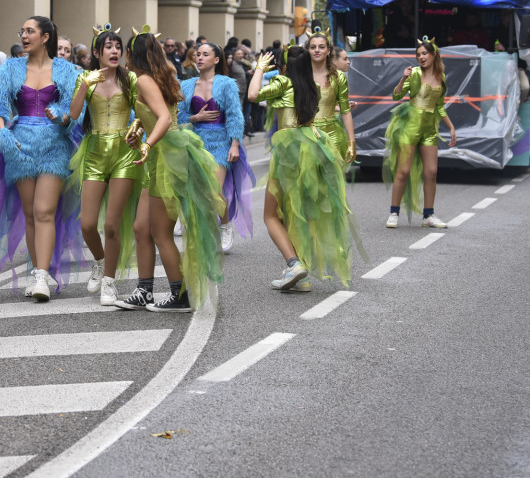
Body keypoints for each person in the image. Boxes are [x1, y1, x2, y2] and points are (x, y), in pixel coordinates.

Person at [117, 27, 225, 313]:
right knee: (141, 228)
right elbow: (156, 114)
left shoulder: (143, 80)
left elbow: (164, 118)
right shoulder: (154, 77)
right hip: (161, 157)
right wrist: (138, 128)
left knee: (161, 231)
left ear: (132, 54)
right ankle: (144, 291)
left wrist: (147, 143)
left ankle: (180, 295)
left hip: (167, 157)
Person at [0, 16, 82, 302]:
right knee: (30, 214)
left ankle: (41, 276)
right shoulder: (9, 68)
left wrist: (61, 116)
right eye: (22, 32)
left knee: (44, 211)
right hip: (19, 145)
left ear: (45, 36)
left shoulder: (66, 70)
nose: (24, 36)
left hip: (54, 145)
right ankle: (40, 271)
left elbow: (75, 112)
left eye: (30, 31)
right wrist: (3, 132)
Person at [248, 46, 364, 292]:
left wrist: (259, 69)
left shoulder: (283, 82)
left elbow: (253, 95)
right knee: (299, 213)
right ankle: (301, 276)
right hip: (312, 149)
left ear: (284, 66)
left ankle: (294, 264)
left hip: (289, 151)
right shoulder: (312, 86)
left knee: (271, 215)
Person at [68, 26, 141, 306]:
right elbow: (74, 114)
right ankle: (99, 261)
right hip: (95, 151)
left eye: (118, 47)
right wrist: (85, 85)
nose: (114, 51)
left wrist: (138, 129)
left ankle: (109, 282)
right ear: (96, 52)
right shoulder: (85, 78)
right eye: (108, 47)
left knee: (112, 224)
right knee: (87, 224)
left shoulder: (130, 78)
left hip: (124, 152)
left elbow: (142, 111)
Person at [178, 42, 255, 255]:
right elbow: (178, 116)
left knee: (214, 191)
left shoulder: (226, 84)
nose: (200, 58)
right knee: (198, 192)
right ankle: (205, 234)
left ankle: (225, 226)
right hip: (195, 143)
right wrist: (195, 117)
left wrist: (235, 144)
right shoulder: (187, 85)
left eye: (205, 54)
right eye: (198, 54)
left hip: (221, 142)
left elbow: (235, 114)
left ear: (216, 59)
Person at [383, 38, 457, 229]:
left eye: (424, 53)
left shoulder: (441, 76)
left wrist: (451, 127)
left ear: (433, 54)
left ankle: (428, 215)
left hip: (429, 130)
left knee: (431, 172)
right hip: (410, 127)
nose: (421, 57)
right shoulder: (415, 73)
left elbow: (439, 106)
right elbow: (396, 95)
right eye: (418, 55)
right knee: (403, 171)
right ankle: (394, 212)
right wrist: (403, 78)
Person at [307, 31, 355, 165]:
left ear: (328, 51)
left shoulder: (338, 77)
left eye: (321, 47)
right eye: (313, 47)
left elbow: (345, 111)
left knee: (332, 176)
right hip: (305, 136)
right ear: (308, 50)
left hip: (332, 135)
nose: (317, 50)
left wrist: (351, 142)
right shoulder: (300, 76)